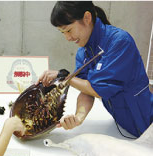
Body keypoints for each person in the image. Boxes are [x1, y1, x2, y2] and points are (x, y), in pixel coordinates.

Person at [37, 1, 153, 138]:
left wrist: (63, 76)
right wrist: (78, 117)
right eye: (62, 32)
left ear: (87, 18)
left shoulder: (119, 42)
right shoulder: (83, 53)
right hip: (123, 125)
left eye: (68, 30)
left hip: (146, 121)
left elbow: (96, 89)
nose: (67, 38)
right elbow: (86, 91)